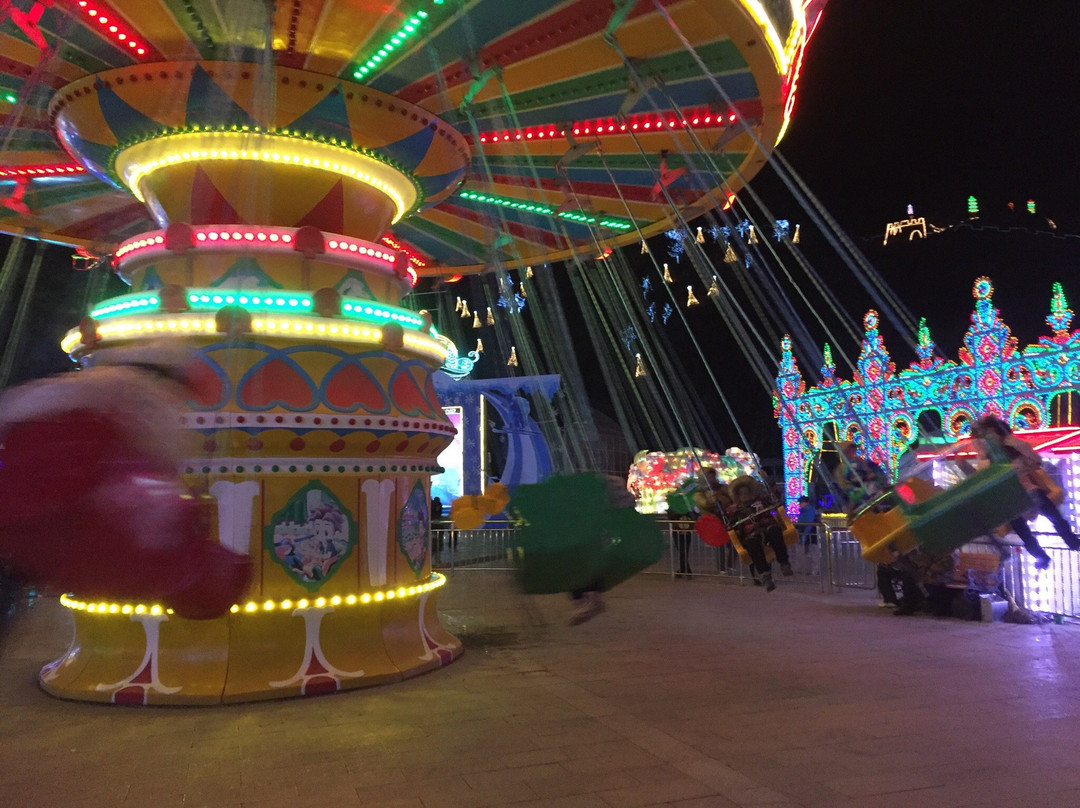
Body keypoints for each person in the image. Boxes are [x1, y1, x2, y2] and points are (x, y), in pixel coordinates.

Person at [971, 415, 1079, 570]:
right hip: (1011, 500)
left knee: (1054, 516)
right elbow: (981, 477)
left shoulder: (1013, 451)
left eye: (992, 434)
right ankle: (1042, 556)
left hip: (1028, 492)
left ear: (1000, 434)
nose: (989, 439)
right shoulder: (987, 459)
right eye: (984, 437)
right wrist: (982, 454)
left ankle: (1071, 541)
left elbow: (1036, 462)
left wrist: (1019, 445)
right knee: (1024, 533)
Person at [728, 477, 793, 591]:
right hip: (751, 533)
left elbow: (775, 500)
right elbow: (731, 524)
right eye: (741, 494)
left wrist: (769, 484)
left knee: (774, 531)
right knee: (752, 544)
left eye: (746, 493)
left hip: (765, 527)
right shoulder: (735, 510)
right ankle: (765, 575)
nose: (744, 495)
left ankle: (784, 562)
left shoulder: (761, 501)